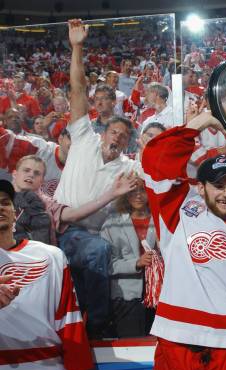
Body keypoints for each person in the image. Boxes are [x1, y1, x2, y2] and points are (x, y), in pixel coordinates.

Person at [141, 110, 226, 370]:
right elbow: (156, 160)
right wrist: (205, 120)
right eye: (218, 185)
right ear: (200, 187)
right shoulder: (180, 211)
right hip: (178, 340)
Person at [55, 19, 140, 337]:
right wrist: (77, 47)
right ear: (104, 132)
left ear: (127, 142)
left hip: (88, 238)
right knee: (97, 250)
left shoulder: (127, 167)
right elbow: (78, 89)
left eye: (123, 135)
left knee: (98, 249)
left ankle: (94, 325)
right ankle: (98, 324)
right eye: (114, 131)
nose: (117, 137)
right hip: (62, 228)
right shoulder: (84, 138)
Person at [0, 179, 93, 370]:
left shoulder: (49, 256)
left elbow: (68, 313)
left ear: (16, 213)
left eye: (5, 202)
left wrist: (76, 363)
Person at [101, 179, 156, 337]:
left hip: (159, 295)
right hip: (126, 296)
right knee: (132, 344)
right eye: (132, 191)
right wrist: (137, 263)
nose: (138, 195)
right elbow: (107, 264)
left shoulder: (160, 221)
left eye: (142, 190)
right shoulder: (112, 223)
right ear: (125, 195)